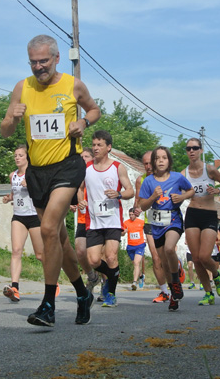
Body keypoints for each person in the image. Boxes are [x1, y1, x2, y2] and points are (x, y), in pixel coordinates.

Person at [0, 34, 100, 327]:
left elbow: (94, 109)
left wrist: (83, 122)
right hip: (37, 172)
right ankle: (82, 293)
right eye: (33, 62)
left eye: (44, 61)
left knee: (46, 228)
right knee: (59, 239)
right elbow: (6, 131)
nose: (39, 67)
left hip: (67, 166)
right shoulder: (22, 87)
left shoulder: (72, 85)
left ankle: (48, 305)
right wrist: (12, 118)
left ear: (56, 58)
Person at [80, 130, 134, 307]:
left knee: (111, 257)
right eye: (94, 144)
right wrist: (81, 200)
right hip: (94, 220)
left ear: (108, 147)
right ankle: (110, 277)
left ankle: (111, 292)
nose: (95, 148)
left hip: (112, 220)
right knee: (93, 260)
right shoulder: (86, 168)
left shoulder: (118, 167)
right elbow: (79, 188)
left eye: (99, 145)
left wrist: (118, 194)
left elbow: (130, 191)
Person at [139, 146, 194, 311]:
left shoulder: (177, 178)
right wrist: (153, 197)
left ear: (169, 161)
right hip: (156, 225)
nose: (161, 161)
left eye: (164, 157)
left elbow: (191, 191)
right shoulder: (148, 181)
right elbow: (142, 206)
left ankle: (176, 283)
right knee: (163, 262)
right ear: (153, 162)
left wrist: (182, 197)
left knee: (170, 249)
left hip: (173, 220)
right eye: (157, 158)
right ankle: (174, 295)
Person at [182, 138, 220, 306]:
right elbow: (179, 192)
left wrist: (217, 190)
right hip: (192, 213)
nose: (191, 151)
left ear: (201, 150)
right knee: (196, 258)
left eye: (195, 148)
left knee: (204, 256)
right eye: (188, 148)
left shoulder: (209, 169)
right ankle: (208, 293)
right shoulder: (184, 173)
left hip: (209, 214)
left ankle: (216, 275)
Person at [1, 145, 45, 302]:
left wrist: (32, 186)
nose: (17, 158)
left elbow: (43, 193)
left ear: (27, 158)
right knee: (16, 251)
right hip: (19, 216)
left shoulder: (34, 174)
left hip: (34, 216)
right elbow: (15, 193)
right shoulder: (12, 175)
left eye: (20, 155)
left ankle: (51, 282)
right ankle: (15, 288)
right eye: (15, 155)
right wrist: (9, 198)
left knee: (40, 255)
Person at [134, 151, 170, 303]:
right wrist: (136, 209)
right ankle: (164, 291)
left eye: (150, 163)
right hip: (150, 222)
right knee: (156, 258)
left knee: (167, 256)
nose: (148, 166)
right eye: (145, 164)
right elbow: (138, 200)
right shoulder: (141, 180)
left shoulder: (167, 176)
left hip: (168, 220)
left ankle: (177, 270)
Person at [74, 147, 101, 295]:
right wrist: (76, 202)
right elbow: (76, 191)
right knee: (80, 250)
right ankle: (92, 276)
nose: (83, 158)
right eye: (81, 156)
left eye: (86, 156)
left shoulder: (97, 173)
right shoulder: (78, 174)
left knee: (98, 256)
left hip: (98, 219)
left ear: (92, 158)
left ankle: (106, 286)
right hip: (83, 219)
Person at [123, 208, 146, 291]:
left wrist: (147, 239)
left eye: (132, 214)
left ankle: (134, 282)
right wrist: (124, 232)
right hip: (130, 247)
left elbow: (147, 231)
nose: (131, 216)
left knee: (136, 263)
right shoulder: (126, 223)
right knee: (135, 265)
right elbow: (121, 234)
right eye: (130, 215)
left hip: (140, 245)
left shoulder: (141, 222)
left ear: (135, 214)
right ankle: (141, 276)